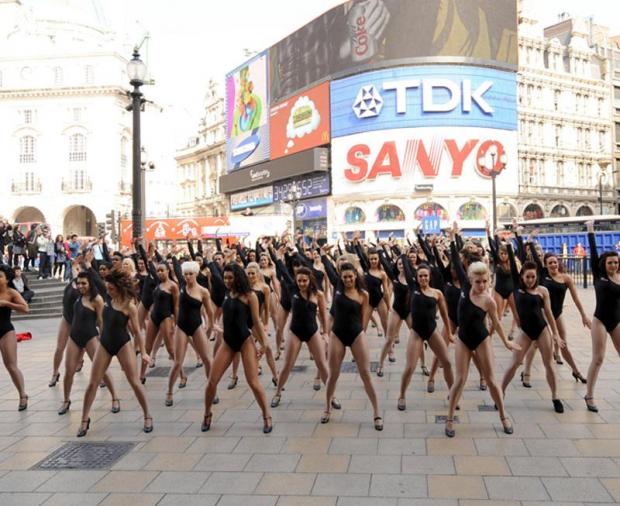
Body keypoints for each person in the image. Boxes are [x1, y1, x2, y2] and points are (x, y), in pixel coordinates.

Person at [445, 232, 520, 437]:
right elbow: (454, 259)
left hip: (481, 338)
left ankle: (503, 415)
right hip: (463, 338)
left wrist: (506, 343)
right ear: (470, 279)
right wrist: (452, 239)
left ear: (489, 280)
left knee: (491, 380)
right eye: (478, 281)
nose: (481, 285)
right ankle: (450, 418)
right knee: (459, 379)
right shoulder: (465, 285)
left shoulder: (489, 301)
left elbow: (496, 323)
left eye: (485, 281)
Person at [77, 269, 152, 437]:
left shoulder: (129, 306)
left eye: (111, 288)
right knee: (92, 383)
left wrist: (144, 352)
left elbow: (138, 331)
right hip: (105, 343)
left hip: (123, 344)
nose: (108, 290)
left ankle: (147, 415)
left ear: (118, 287)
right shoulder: (106, 300)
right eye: (107, 288)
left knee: (134, 382)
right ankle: (84, 419)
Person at [202, 263, 273, 434]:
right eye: (225, 277)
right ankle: (207, 413)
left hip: (244, 340)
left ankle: (266, 416)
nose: (227, 281)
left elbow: (256, 321)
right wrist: (214, 325)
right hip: (228, 342)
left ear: (238, 277)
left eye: (230, 278)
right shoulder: (228, 293)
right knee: (212, 381)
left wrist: (264, 344)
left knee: (253, 382)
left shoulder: (250, 296)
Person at [501, 242, 566, 414]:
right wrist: (509, 245)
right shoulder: (517, 286)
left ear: (537, 276)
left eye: (533, 277)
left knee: (549, 364)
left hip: (542, 330)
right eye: (527, 277)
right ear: (522, 277)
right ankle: (500, 392)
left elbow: (550, 314)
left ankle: (555, 396)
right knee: (514, 363)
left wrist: (555, 334)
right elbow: (518, 262)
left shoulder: (543, 291)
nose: (530, 280)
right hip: (525, 332)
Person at [521, 235, 591, 386]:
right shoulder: (543, 274)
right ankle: (526, 372)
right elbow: (533, 254)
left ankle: (576, 370)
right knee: (535, 343)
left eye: (554, 262)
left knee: (563, 342)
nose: (553, 265)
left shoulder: (566, 278)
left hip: (557, 314)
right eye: (550, 263)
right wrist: (529, 239)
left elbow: (576, 299)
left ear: (558, 263)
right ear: (545, 265)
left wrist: (584, 315)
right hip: (543, 313)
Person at [322, 262, 383, 430]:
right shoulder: (338, 292)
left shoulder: (364, 294)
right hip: (337, 335)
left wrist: (361, 335)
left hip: (356, 334)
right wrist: (326, 334)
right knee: (333, 375)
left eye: (350, 276)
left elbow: (364, 318)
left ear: (356, 276)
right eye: (345, 277)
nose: (348, 279)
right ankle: (327, 408)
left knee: (365, 375)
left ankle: (377, 412)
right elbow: (331, 314)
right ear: (341, 278)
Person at [59, 271, 120, 416]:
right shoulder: (78, 297)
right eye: (79, 283)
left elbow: (100, 322)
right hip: (74, 337)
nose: (80, 286)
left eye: (84, 283)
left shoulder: (97, 299)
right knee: (68, 371)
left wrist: (105, 340)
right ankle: (66, 400)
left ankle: (115, 398)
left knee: (102, 370)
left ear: (90, 283)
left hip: (90, 337)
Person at [397, 259, 454, 411]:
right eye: (420, 276)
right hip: (416, 333)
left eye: (425, 276)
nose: (423, 278)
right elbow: (408, 268)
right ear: (416, 277)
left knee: (447, 362)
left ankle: (452, 394)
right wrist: (402, 253)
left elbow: (444, 314)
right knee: (410, 367)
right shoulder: (414, 288)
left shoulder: (437, 294)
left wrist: (449, 333)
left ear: (430, 277)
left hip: (432, 331)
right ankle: (402, 395)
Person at [166, 260, 215, 407]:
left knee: (207, 359)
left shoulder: (203, 291)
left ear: (196, 274)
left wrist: (210, 326)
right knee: (178, 362)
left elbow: (210, 311)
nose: (188, 277)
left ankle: (212, 389)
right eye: (186, 274)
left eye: (190, 274)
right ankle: (169, 391)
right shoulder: (180, 287)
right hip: (181, 326)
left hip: (196, 325)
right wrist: (173, 324)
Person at [584, 220, 620, 412]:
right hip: (600, 321)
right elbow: (593, 249)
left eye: (616, 262)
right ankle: (589, 395)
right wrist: (590, 229)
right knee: (598, 359)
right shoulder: (599, 275)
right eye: (610, 262)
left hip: (616, 321)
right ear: (604, 264)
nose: (613, 265)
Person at [0, 264, 29, 410]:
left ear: (6, 279)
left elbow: (25, 308)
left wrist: (6, 303)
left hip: (5, 331)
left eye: (0, 276)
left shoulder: (11, 292)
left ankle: (23, 395)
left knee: (11, 366)